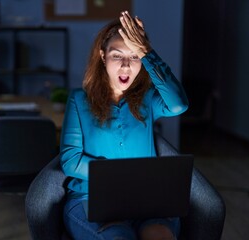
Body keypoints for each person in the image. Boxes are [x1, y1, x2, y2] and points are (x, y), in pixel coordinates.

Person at [59, 10, 189, 240]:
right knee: (120, 236)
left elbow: (179, 105)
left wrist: (147, 52)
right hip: (91, 197)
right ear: (103, 56)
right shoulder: (79, 100)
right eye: (117, 56)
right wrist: (117, 176)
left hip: (145, 199)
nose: (126, 66)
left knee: (160, 235)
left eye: (135, 57)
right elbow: (71, 161)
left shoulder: (148, 99)